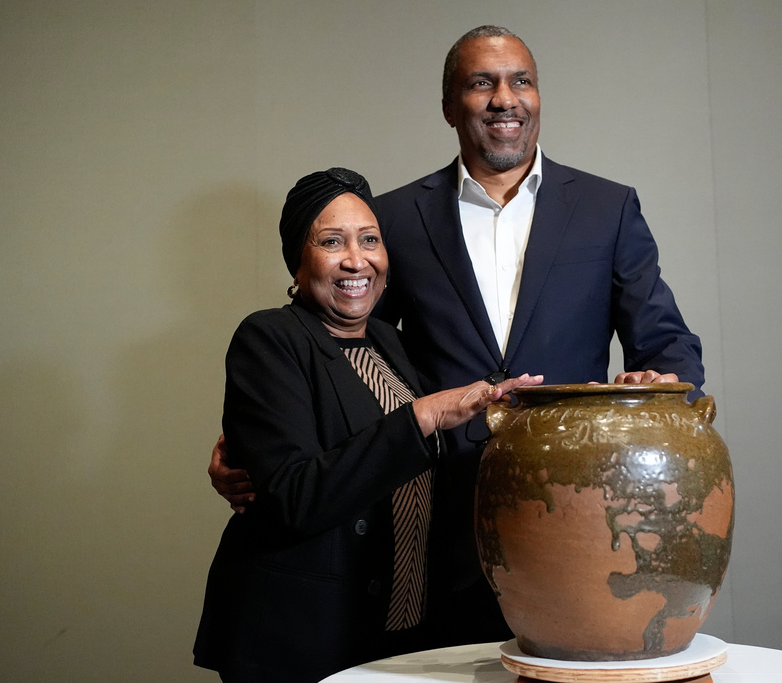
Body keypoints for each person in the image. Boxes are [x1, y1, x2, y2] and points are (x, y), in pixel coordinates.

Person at [210, 25, 705, 649]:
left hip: (575, 517)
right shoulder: (390, 220)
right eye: (482, 83)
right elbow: (342, 351)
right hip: (429, 532)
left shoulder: (608, 208)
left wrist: (660, 389)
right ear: (450, 105)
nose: (505, 98)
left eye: (520, 80)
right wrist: (258, 443)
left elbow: (666, 343)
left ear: (538, 95)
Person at [193, 167, 542, 683]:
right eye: (332, 242)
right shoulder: (268, 338)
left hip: (396, 631)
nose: (357, 260)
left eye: (370, 240)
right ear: (297, 262)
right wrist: (425, 414)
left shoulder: (387, 341)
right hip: (301, 638)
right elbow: (295, 497)